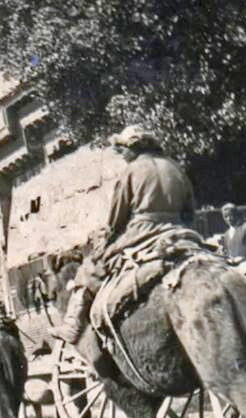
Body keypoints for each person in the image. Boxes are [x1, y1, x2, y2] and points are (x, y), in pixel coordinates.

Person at [49, 125, 196, 362]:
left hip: (142, 231)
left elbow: (116, 220)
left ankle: (72, 325)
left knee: (90, 269)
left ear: (133, 148)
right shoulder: (175, 167)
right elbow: (190, 211)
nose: (120, 155)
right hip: (180, 231)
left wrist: (104, 243)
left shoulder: (131, 172)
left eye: (122, 150)